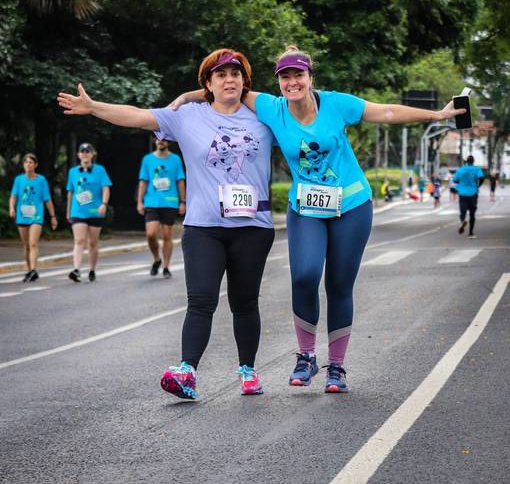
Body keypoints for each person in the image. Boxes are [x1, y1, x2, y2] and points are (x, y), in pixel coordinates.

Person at [171, 45, 466, 393]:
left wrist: (436, 116)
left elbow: (386, 112)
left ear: (311, 78)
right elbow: (224, 87)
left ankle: (337, 367)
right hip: (306, 208)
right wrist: (187, 96)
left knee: (339, 284)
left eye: (299, 75)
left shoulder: (338, 104)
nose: (292, 82)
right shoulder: (270, 107)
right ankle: (306, 357)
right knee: (305, 275)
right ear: (278, 82)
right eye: (285, 76)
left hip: (351, 205)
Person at [57, 48, 275, 399]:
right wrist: (95, 107)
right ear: (208, 82)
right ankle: (187, 371)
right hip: (204, 226)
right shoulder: (188, 117)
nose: (229, 79)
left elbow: (300, 113)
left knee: (244, 302)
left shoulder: (264, 115)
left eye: (236, 74)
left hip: (253, 226)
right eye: (220, 74)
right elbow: (137, 117)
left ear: (245, 81)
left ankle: (248, 371)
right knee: (201, 300)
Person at [138, 138, 186, 278]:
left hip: (170, 202)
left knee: (166, 235)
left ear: (168, 143)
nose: (161, 141)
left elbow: (180, 181)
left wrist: (183, 201)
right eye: (158, 139)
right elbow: (143, 181)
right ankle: (157, 259)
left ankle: (166, 267)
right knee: (151, 234)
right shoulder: (147, 159)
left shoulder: (175, 159)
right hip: (152, 202)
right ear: (154, 141)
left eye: (164, 140)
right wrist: (140, 202)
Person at [66, 142, 112, 282]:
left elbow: (105, 188)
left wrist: (104, 204)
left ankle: (92, 269)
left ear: (93, 154)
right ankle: (76, 269)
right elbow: (70, 192)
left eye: (88, 151)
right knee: (79, 240)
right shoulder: (73, 172)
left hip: (95, 211)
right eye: (82, 151)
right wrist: (68, 211)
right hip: (78, 211)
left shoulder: (100, 170)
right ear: (78, 155)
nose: (85, 153)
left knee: (92, 243)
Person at [9, 153, 58, 282]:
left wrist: (53, 216)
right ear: (23, 165)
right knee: (26, 245)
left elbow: (47, 200)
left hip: (36, 216)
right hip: (22, 215)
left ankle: (33, 270)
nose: (28, 164)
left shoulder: (41, 180)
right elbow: (14, 196)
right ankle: (29, 270)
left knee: (33, 243)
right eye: (26, 162)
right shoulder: (19, 180)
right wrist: (12, 208)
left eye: (31, 162)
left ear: (35, 165)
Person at [454, 155, 484, 238]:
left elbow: (455, 180)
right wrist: (478, 185)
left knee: (462, 211)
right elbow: (481, 178)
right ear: (473, 161)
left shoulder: (461, 169)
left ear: (466, 161)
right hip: (473, 193)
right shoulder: (477, 169)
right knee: (472, 214)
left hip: (462, 193)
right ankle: (470, 233)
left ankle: (463, 221)